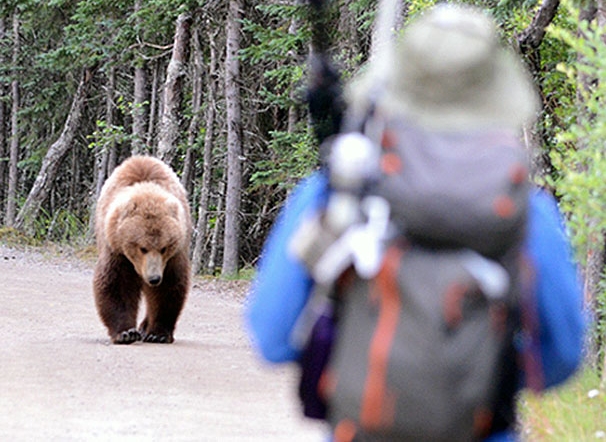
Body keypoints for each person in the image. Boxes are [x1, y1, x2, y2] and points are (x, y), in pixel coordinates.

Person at [246, 4, 585, 441]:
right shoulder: (527, 212)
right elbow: (560, 361)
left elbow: (272, 337)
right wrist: (474, 376)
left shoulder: (340, 191)